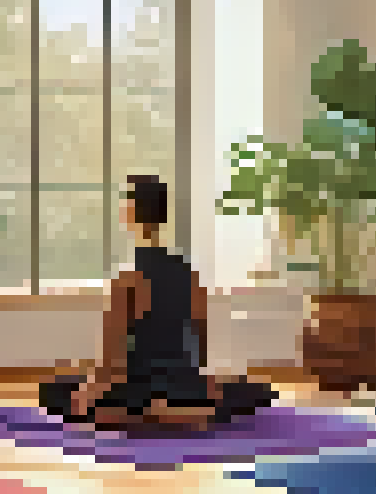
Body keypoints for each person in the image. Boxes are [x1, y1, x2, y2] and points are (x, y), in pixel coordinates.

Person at [40, 175, 276, 429]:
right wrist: (205, 382)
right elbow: (200, 350)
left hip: (137, 387)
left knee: (54, 391)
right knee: (254, 390)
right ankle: (185, 410)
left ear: (130, 212)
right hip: (185, 386)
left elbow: (110, 364)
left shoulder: (127, 278)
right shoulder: (190, 274)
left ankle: (145, 413)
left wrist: (86, 392)